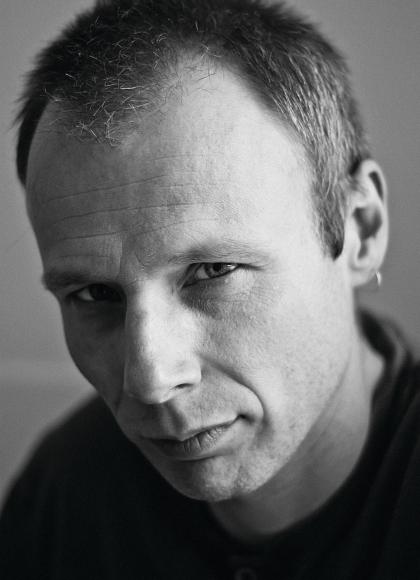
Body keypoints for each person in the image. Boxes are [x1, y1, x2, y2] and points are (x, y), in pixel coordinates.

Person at [1, 0, 419, 578]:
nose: (151, 381)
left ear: (360, 230)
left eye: (214, 271)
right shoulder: (66, 490)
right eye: (96, 295)